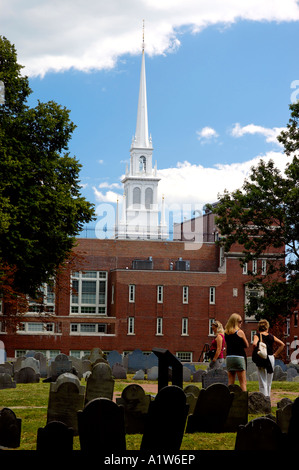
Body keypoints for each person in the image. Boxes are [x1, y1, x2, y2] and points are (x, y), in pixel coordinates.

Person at [252, 319, 285, 397]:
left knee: (262, 380)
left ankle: (263, 398)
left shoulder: (257, 335)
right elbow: (282, 344)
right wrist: (275, 354)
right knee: (269, 380)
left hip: (262, 357)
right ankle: (268, 397)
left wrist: (257, 349)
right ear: (267, 327)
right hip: (270, 357)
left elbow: (254, 344)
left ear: (259, 327)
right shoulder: (271, 336)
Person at [224, 313, 249, 391]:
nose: (241, 323)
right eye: (240, 321)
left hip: (229, 357)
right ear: (235, 322)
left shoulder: (226, 332)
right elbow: (247, 345)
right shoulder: (240, 332)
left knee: (231, 381)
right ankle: (244, 399)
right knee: (243, 382)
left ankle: (229, 399)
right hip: (239, 357)